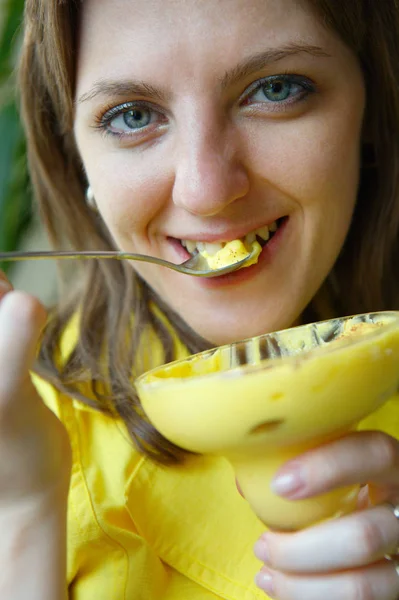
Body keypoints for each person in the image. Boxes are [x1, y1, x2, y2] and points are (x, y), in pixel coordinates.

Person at [1, 0, 399, 598]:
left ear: (371, 107)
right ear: (74, 154)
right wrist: (26, 511)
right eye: (133, 116)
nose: (207, 189)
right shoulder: (27, 436)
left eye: (276, 88)